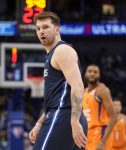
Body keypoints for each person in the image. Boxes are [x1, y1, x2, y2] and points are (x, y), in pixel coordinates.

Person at [28, 11, 88, 150]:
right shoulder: (52, 54)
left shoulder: (62, 50)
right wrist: (38, 124)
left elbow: (78, 86)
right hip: (63, 115)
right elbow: (56, 98)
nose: (41, 31)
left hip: (64, 116)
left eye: (45, 27)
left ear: (57, 29)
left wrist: (73, 120)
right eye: (38, 28)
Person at [82, 64, 117, 150]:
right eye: (89, 71)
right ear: (85, 74)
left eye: (95, 72)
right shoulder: (84, 91)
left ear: (99, 75)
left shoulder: (102, 90)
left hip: (100, 133)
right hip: (88, 134)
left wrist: (102, 142)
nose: (92, 74)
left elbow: (114, 117)